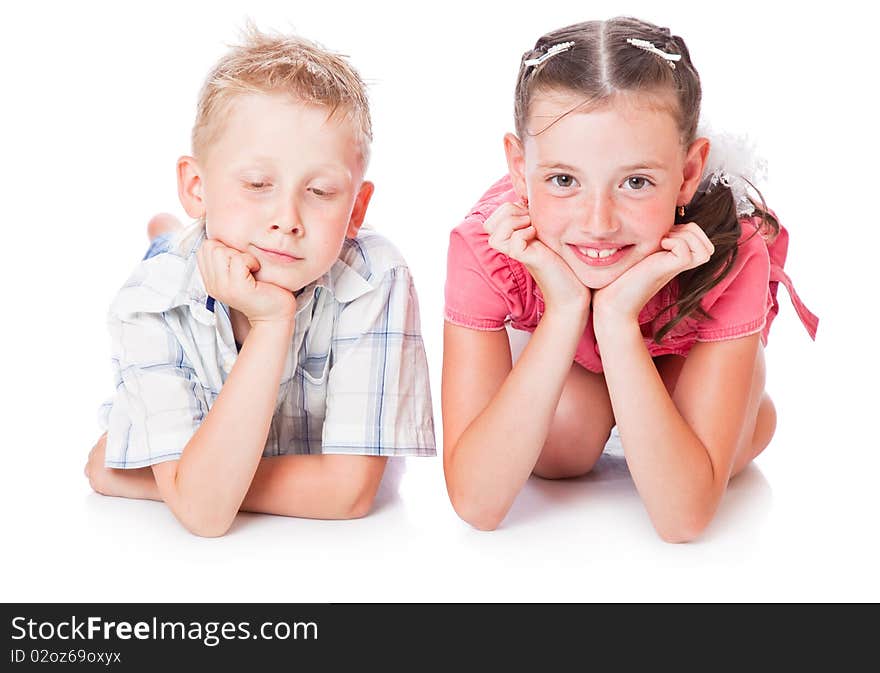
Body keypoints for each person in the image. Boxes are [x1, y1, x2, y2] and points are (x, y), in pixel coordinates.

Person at [441, 17, 817, 542]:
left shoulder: (730, 253)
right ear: (518, 167)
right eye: (563, 180)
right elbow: (478, 504)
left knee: (708, 457)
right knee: (561, 444)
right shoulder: (487, 245)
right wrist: (566, 310)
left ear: (687, 173)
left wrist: (616, 319)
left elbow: (682, 519)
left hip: (680, 359)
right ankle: (608, 406)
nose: (598, 221)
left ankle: (734, 413)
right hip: (573, 360)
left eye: (636, 181)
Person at [84, 27, 436, 537]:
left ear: (357, 208)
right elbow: (207, 518)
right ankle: (167, 234)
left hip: (226, 245)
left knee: (197, 242)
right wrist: (273, 325)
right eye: (257, 185)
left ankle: (173, 232)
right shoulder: (148, 302)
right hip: (189, 263)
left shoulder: (375, 278)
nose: (287, 219)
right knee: (168, 253)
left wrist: (171, 481)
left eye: (319, 190)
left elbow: (348, 493)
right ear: (196, 186)